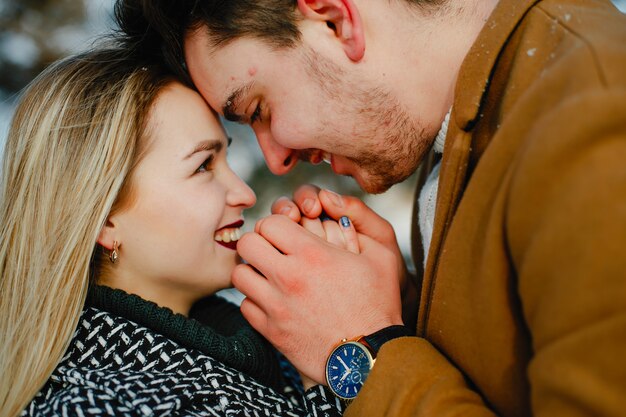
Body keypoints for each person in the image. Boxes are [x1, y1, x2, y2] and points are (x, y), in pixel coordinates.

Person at [115, 0, 626, 415]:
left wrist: (361, 351)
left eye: (258, 110)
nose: (275, 161)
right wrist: (402, 307)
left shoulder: (594, 120)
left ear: (335, 20)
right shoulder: (480, 121)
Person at [0, 47, 355, 416]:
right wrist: (343, 361)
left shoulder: (260, 352)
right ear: (105, 219)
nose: (245, 194)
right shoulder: (97, 407)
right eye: (203, 166)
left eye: (226, 159)